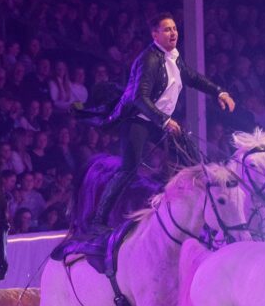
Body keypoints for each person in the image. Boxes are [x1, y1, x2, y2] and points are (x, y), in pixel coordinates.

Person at [92, 13, 235, 230]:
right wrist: (165, 120)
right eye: (167, 29)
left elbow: (193, 78)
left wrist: (219, 92)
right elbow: (139, 98)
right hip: (138, 120)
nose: (173, 32)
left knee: (192, 160)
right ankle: (98, 220)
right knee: (128, 170)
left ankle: (194, 211)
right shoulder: (149, 59)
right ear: (155, 35)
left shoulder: (174, 57)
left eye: (174, 28)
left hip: (158, 121)